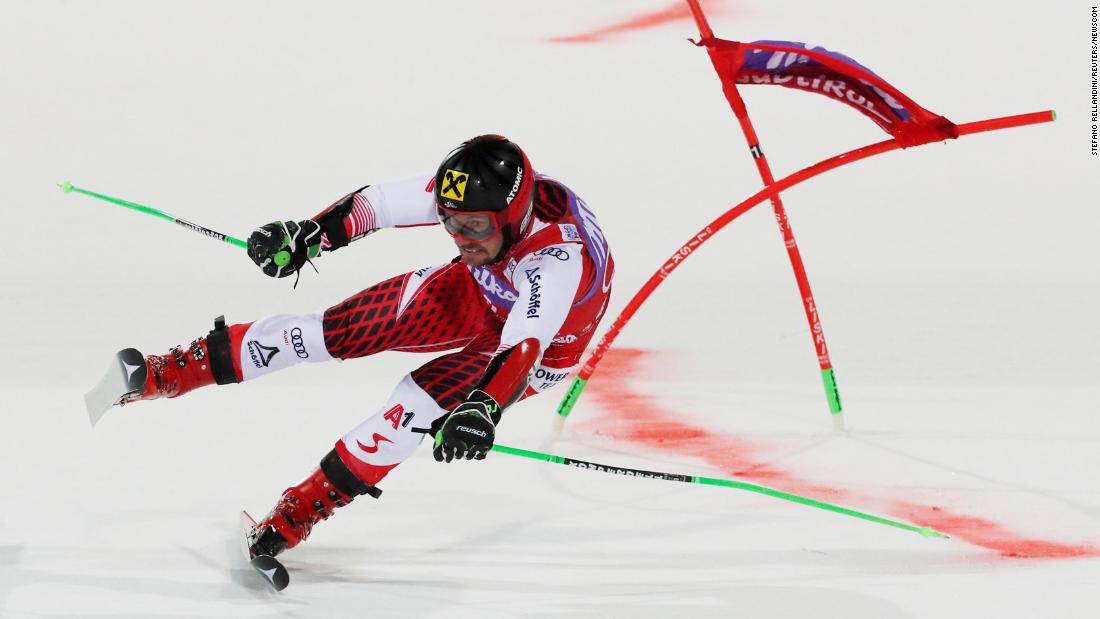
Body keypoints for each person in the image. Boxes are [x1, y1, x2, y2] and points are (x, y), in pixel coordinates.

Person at [125, 135, 614, 559]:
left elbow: (524, 344)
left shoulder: (556, 260)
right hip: (485, 289)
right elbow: (377, 204)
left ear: (513, 216)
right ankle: (171, 373)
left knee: (414, 404)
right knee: (335, 331)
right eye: (449, 222)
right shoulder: (482, 205)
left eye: (475, 227)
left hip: (540, 351)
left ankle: (299, 511)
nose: (461, 237)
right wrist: (309, 236)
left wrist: (484, 409)